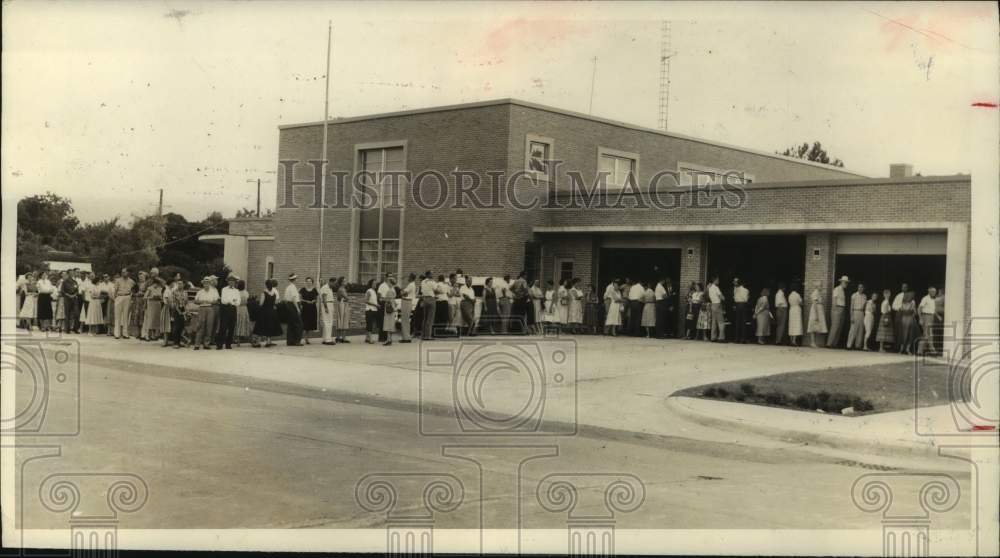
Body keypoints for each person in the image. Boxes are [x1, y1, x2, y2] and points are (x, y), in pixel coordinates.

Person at [192, 277, 219, 350]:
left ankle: (206, 344)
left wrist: (209, 302)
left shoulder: (213, 292)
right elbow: (195, 301)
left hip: (210, 308)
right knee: (200, 326)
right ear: (203, 284)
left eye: (207, 283)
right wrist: (202, 301)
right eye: (205, 283)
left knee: (209, 326)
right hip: (201, 309)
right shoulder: (200, 292)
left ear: (210, 284)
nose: (206, 284)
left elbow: (216, 301)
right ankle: (197, 344)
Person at [216, 275, 240, 350]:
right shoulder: (224, 289)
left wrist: (233, 301)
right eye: (230, 281)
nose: (231, 282)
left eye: (233, 281)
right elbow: (223, 300)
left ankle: (228, 344)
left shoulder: (237, 291)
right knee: (223, 327)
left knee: (231, 327)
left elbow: (238, 301)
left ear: (235, 282)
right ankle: (219, 345)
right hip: (225, 309)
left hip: (233, 309)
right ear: (228, 281)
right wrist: (232, 301)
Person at [826, 275, 849, 348]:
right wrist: (834, 310)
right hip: (837, 308)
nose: (846, 284)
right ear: (841, 282)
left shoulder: (843, 290)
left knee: (839, 327)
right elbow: (834, 300)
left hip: (842, 308)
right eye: (845, 282)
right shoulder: (837, 289)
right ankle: (829, 343)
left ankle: (834, 344)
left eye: (846, 283)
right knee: (835, 326)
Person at [166, 276, 189, 348]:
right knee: (176, 327)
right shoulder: (174, 292)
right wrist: (177, 310)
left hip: (183, 310)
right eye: (178, 284)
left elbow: (186, 302)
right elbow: (172, 302)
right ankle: (175, 342)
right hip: (176, 310)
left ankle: (179, 342)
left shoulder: (185, 292)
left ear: (183, 285)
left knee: (182, 326)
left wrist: (185, 311)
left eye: (181, 284)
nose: (180, 285)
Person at [113, 269, 135, 339]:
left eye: (125, 272)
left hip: (127, 297)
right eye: (122, 272)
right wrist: (115, 299)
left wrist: (131, 298)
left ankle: (125, 333)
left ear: (128, 272)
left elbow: (134, 290)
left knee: (126, 316)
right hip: (119, 297)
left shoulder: (131, 281)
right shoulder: (118, 280)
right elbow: (115, 291)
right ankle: (117, 334)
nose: (123, 273)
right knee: (117, 316)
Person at [845, 283, 867, 350]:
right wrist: (851, 316)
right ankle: (849, 345)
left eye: (862, 287)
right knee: (853, 329)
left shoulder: (864, 296)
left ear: (863, 288)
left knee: (860, 330)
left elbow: (865, 306)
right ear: (857, 288)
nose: (860, 288)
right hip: (855, 311)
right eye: (859, 287)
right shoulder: (854, 295)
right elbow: (851, 306)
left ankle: (858, 346)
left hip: (862, 313)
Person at [284, 274, 304, 346]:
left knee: (291, 324)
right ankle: (297, 341)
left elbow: (285, 299)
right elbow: (293, 298)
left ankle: (290, 341)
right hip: (293, 305)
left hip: (289, 305)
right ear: (294, 279)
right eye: (296, 278)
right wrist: (297, 308)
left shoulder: (288, 287)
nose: (297, 280)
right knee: (298, 324)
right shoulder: (293, 287)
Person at [806, 281, 828, 348]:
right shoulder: (815, 293)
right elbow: (815, 304)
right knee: (813, 325)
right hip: (816, 310)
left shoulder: (818, 293)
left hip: (819, 310)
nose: (821, 287)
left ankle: (814, 342)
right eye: (820, 286)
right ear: (817, 286)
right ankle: (812, 342)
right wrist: (816, 314)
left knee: (816, 326)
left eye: (821, 286)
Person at [918, 286, 939, 355]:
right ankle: (932, 350)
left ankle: (920, 351)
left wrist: (938, 316)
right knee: (928, 334)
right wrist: (920, 318)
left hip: (931, 317)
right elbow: (919, 308)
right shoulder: (925, 298)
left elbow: (933, 310)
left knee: (928, 335)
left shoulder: (933, 300)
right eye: (933, 292)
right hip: (926, 316)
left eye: (935, 292)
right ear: (929, 292)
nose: (934, 293)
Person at [299, 277, 319, 345]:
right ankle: (299, 338)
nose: (308, 282)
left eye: (310, 281)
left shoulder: (314, 290)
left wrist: (313, 301)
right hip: (305, 308)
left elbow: (316, 299)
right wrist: (306, 301)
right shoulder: (303, 290)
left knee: (309, 324)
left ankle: (307, 339)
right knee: (303, 323)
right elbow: (300, 299)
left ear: (312, 282)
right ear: (306, 282)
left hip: (312, 308)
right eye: (307, 281)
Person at [379, 274, 398, 346]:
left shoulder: (390, 290)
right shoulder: (393, 290)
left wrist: (382, 299)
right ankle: (389, 339)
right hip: (392, 307)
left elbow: (389, 299)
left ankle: (388, 339)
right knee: (390, 323)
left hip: (389, 308)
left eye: (388, 282)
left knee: (388, 323)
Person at [144, 277, 164, 341]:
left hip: (157, 304)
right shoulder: (150, 288)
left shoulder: (160, 289)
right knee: (150, 319)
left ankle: (153, 335)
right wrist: (151, 297)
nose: (156, 285)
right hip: (151, 304)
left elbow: (162, 297)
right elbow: (145, 297)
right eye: (155, 283)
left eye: (158, 284)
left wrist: (160, 298)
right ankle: (147, 335)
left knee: (155, 320)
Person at [898, 290, 918, 355]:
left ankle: (902, 349)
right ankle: (907, 349)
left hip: (904, 318)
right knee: (909, 334)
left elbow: (900, 309)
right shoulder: (912, 302)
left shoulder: (903, 302)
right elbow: (915, 312)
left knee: (904, 333)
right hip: (909, 318)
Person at [318, 277, 337, 345]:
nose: (334, 285)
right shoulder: (325, 287)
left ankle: (325, 338)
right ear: (331, 282)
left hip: (330, 304)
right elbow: (324, 298)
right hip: (327, 304)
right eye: (334, 283)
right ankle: (328, 340)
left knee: (328, 322)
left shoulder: (329, 288)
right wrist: (326, 307)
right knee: (328, 322)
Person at [234, 279, 253, 347]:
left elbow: (234, 301)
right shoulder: (246, 292)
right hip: (244, 308)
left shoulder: (236, 292)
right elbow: (247, 300)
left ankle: (238, 341)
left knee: (239, 323)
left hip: (238, 308)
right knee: (246, 323)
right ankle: (250, 338)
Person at [708, 276, 726, 342]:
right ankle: (721, 338)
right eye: (717, 280)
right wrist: (724, 298)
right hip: (718, 304)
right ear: (714, 280)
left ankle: (713, 337)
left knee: (714, 322)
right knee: (721, 321)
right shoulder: (716, 288)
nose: (718, 281)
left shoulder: (710, 288)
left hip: (713, 304)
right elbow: (721, 297)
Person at [420, 271, 437, 340]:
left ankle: (423, 335)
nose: (433, 275)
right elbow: (437, 290)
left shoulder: (423, 282)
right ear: (428, 275)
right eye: (431, 274)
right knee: (430, 318)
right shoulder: (432, 282)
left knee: (425, 318)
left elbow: (422, 291)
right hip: (431, 299)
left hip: (424, 299)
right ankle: (428, 336)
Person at [732, 278, 750, 344]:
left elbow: (734, 298)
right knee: (743, 322)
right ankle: (743, 339)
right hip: (743, 305)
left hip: (738, 305)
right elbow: (746, 299)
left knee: (737, 322)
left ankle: (737, 339)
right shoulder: (746, 290)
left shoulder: (735, 289)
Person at [891, 282, 909, 349]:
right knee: (898, 329)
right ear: (901, 288)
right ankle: (897, 347)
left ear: (907, 288)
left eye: (906, 287)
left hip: (907, 314)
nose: (904, 288)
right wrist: (899, 308)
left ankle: (904, 347)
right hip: (899, 313)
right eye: (903, 287)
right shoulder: (898, 296)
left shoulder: (910, 296)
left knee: (905, 330)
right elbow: (893, 306)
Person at [335, 277, 351, 343]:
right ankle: (339, 338)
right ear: (341, 282)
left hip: (344, 304)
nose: (345, 282)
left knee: (343, 320)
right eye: (344, 281)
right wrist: (346, 299)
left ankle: (342, 338)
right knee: (341, 319)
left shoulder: (343, 289)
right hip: (342, 305)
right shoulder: (341, 289)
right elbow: (346, 298)